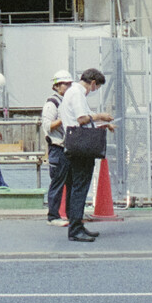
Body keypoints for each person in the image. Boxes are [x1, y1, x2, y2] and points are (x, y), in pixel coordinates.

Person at [60, 67, 115, 241]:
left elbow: (83, 120)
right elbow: (82, 119)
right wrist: (100, 116)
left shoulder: (73, 92)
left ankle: (77, 224)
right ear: (92, 83)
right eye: (96, 87)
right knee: (80, 187)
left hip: (73, 142)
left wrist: (98, 122)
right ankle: (75, 228)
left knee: (76, 186)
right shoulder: (77, 93)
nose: (94, 90)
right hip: (80, 147)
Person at [40, 70, 72, 224]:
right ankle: (53, 216)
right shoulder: (52, 103)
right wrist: (62, 119)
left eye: (69, 83)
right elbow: (47, 126)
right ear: (57, 85)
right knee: (57, 182)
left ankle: (71, 214)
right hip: (57, 147)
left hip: (69, 147)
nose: (68, 86)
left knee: (70, 182)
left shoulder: (68, 101)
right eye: (65, 84)